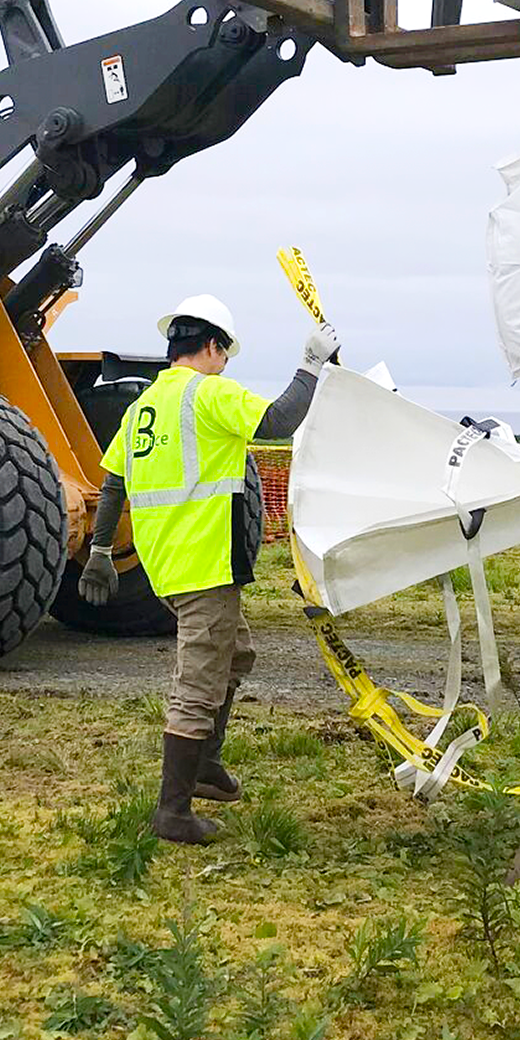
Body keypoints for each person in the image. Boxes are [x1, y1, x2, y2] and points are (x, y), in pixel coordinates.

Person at [79, 293, 341, 844]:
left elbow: (112, 483)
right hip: (204, 565)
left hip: (167, 564)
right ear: (214, 347)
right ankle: (172, 811)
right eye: (226, 352)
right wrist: (311, 363)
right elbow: (277, 422)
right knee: (197, 682)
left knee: (236, 653)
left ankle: (205, 766)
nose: (227, 362)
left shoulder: (142, 407)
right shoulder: (209, 394)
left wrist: (102, 551)